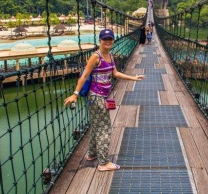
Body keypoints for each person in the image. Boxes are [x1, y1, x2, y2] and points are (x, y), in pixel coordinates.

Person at [63, 28, 146, 172]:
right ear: (100, 41)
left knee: (96, 125)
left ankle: (92, 154)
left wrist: (133, 78)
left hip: (102, 96)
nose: (108, 42)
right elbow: (83, 76)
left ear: (113, 40)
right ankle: (103, 163)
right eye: (105, 39)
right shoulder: (96, 57)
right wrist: (75, 94)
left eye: (110, 39)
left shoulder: (111, 56)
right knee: (105, 129)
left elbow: (115, 73)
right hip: (96, 97)